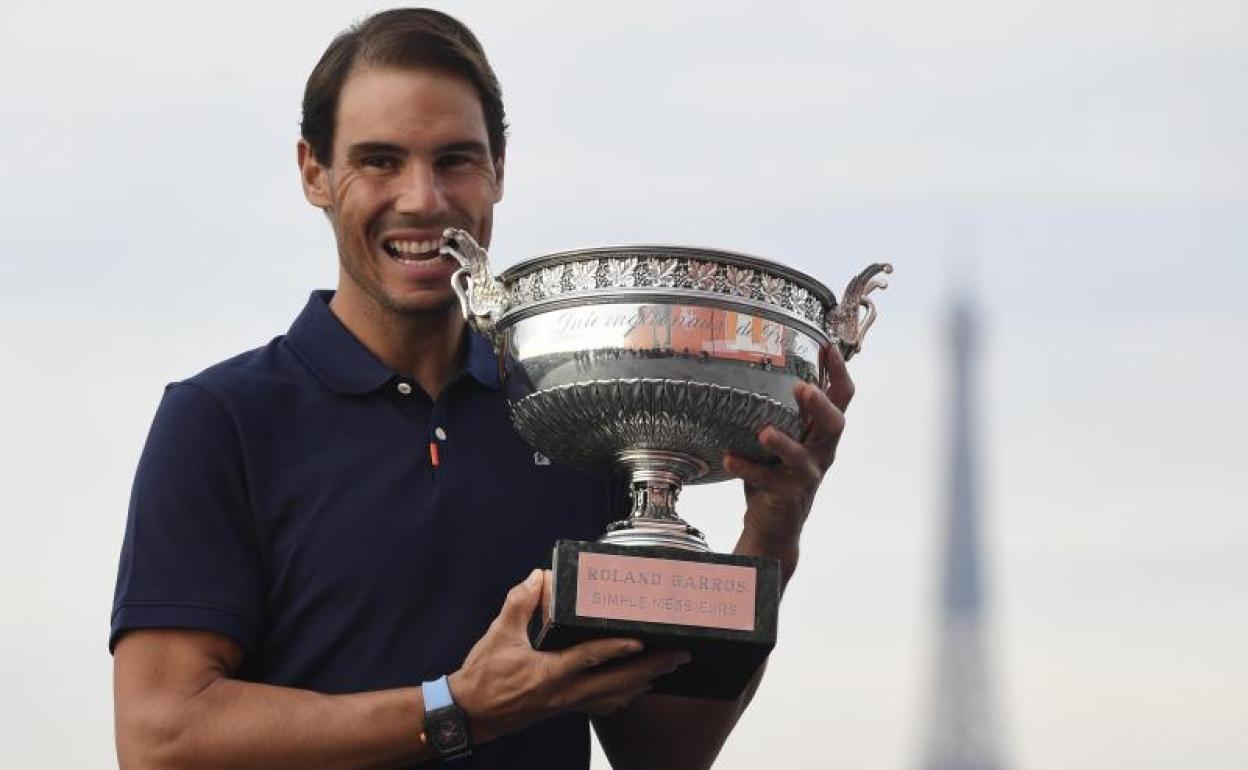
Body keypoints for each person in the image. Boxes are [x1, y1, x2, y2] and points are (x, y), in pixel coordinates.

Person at [110, 8, 855, 769]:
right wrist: (456, 709)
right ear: (314, 172)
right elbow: (161, 737)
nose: (422, 199)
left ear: (499, 168)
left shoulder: (577, 415)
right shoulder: (222, 421)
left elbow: (660, 752)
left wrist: (773, 530)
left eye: (456, 160)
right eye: (379, 161)